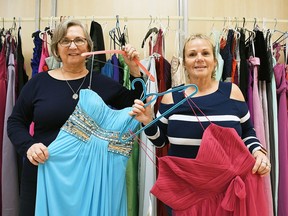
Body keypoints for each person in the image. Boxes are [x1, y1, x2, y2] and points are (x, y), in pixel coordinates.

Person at [7, 19, 144, 216]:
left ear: (89, 46)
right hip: (42, 172)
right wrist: (29, 146)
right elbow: (15, 122)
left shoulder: (102, 83)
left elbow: (138, 105)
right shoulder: (38, 83)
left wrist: (133, 69)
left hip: (87, 183)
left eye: (79, 40)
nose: (73, 46)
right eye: (66, 41)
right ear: (56, 48)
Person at [130, 34, 271, 215]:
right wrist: (149, 121)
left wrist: (258, 151)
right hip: (184, 194)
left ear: (214, 61)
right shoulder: (171, 96)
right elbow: (161, 142)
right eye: (192, 54)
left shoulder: (232, 92)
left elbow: (247, 131)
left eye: (205, 53)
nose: (199, 59)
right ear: (184, 62)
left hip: (227, 193)